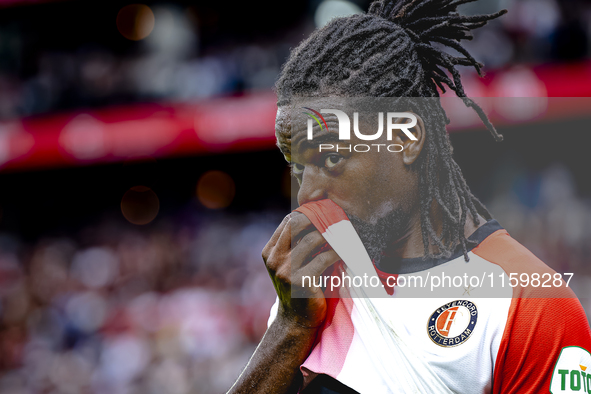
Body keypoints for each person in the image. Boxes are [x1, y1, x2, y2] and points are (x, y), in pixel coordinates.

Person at [228, 0, 591, 393]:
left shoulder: (531, 302)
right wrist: (289, 326)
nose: (308, 192)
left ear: (405, 139)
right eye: (298, 167)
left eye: (331, 157)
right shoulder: (316, 287)